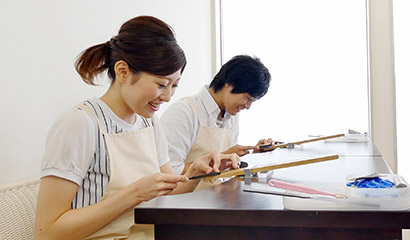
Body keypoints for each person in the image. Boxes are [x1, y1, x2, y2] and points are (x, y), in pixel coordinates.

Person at [34, 16, 240, 240]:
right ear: (123, 71)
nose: (168, 96)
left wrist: (195, 173)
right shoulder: (80, 123)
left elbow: (168, 195)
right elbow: (47, 232)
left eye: (174, 86)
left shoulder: (149, 122)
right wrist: (134, 193)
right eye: (161, 84)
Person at [160, 55, 272, 190]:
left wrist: (250, 153)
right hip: (185, 201)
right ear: (229, 84)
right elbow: (169, 172)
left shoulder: (232, 115)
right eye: (247, 98)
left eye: (252, 101)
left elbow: (224, 172)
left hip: (216, 199)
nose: (247, 106)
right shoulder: (183, 112)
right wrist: (218, 160)